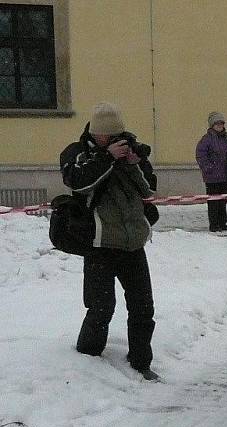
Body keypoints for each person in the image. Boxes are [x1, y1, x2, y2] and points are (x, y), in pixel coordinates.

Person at [60, 102, 160, 381]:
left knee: (143, 306)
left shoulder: (130, 149)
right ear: (97, 133)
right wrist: (106, 157)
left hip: (132, 243)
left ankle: (141, 362)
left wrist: (133, 164)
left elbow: (149, 187)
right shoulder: (77, 153)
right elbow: (78, 182)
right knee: (101, 306)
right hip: (100, 244)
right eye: (108, 136)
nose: (115, 139)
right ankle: (89, 363)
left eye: (118, 134)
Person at [196, 111, 227, 232]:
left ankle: (222, 223)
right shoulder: (206, 139)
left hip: (225, 175)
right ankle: (214, 224)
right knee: (214, 202)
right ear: (212, 125)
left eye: (221, 123)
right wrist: (208, 167)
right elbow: (200, 155)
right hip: (212, 177)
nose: (220, 126)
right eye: (217, 123)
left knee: (223, 200)